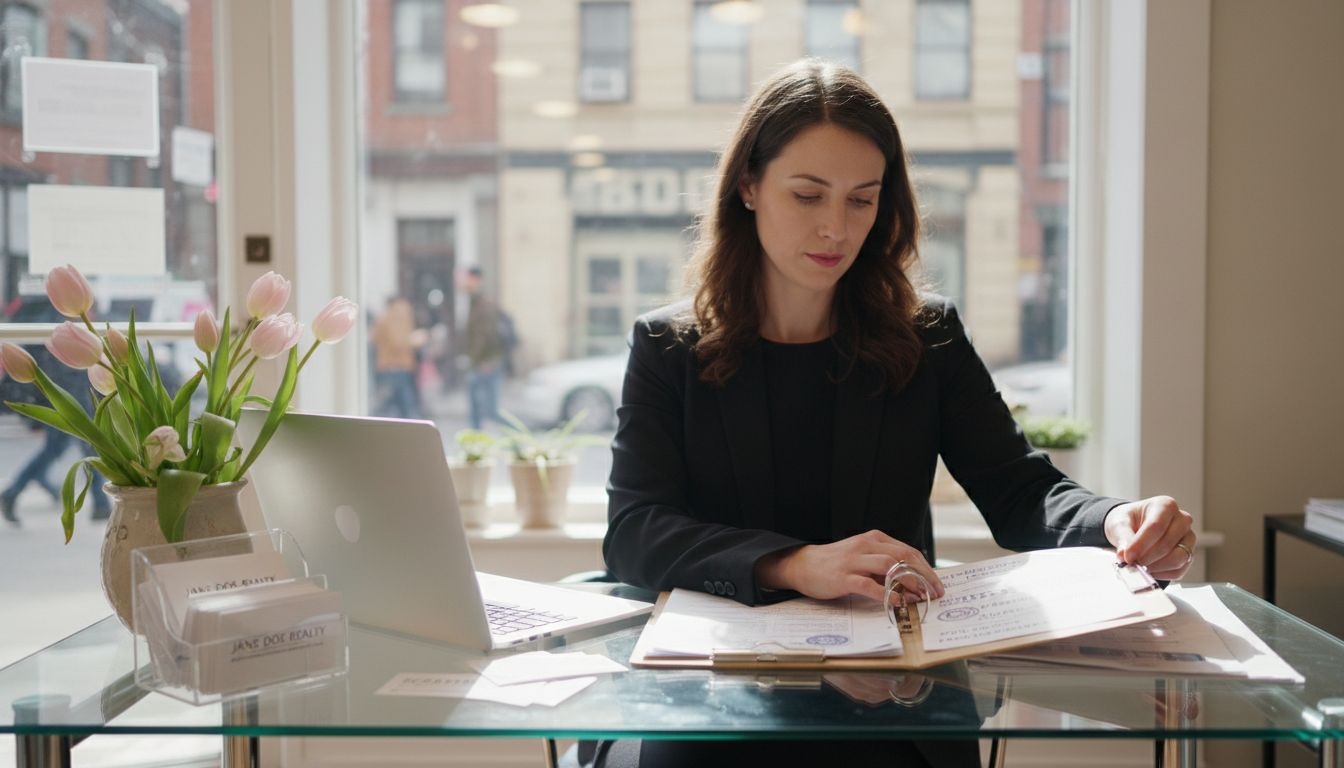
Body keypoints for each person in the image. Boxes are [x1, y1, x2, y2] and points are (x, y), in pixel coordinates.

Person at [600, 59, 1195, 768]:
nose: (835, 228)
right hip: (719, 698)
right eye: (808, 194)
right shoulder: (670, 348)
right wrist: (795, 565)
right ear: (749, 186)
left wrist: (1112, 521)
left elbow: (1019, 489)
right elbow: (635, 532)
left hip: (895, 697)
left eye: (861, 200)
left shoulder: (926, 335)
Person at [2, 344, 110, 525]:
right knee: (90, 441)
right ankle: (101, 504)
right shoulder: (56, 320)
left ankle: (13, 492)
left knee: (56, 448)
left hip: (64, 378)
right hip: (70, 378)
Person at [460, 266, 506, 430]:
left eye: (464, 278)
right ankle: (476, 444)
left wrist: (480, 361)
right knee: (479, 411)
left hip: (485, 364)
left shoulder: (482, 303)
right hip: (482, 362)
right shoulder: (475, 302)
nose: (461, 282)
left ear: (474, 280)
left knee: (488, 411)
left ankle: (519, 437)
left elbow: (485, 335)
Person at [371, 296, 423, 419]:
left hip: (388, 366)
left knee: (395, 408)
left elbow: (374, 338)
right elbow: (398, 341)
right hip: (397, 367)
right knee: (404, 408)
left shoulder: (382, 319)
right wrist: (413, 340)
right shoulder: (397, 318)